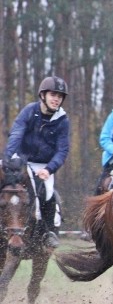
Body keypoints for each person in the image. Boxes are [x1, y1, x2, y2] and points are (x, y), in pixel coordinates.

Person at [4, 76, 70, 248]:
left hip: (43, 165)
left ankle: (48, 232)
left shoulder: (63, 120)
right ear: (43, 95)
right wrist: (7, 158)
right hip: (21, 160)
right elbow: (16, 134)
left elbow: (62, 150)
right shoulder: (29, 111)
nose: (56, 99)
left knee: (47, 193)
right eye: (53, 94)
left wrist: (49, 169)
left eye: (60, 96)